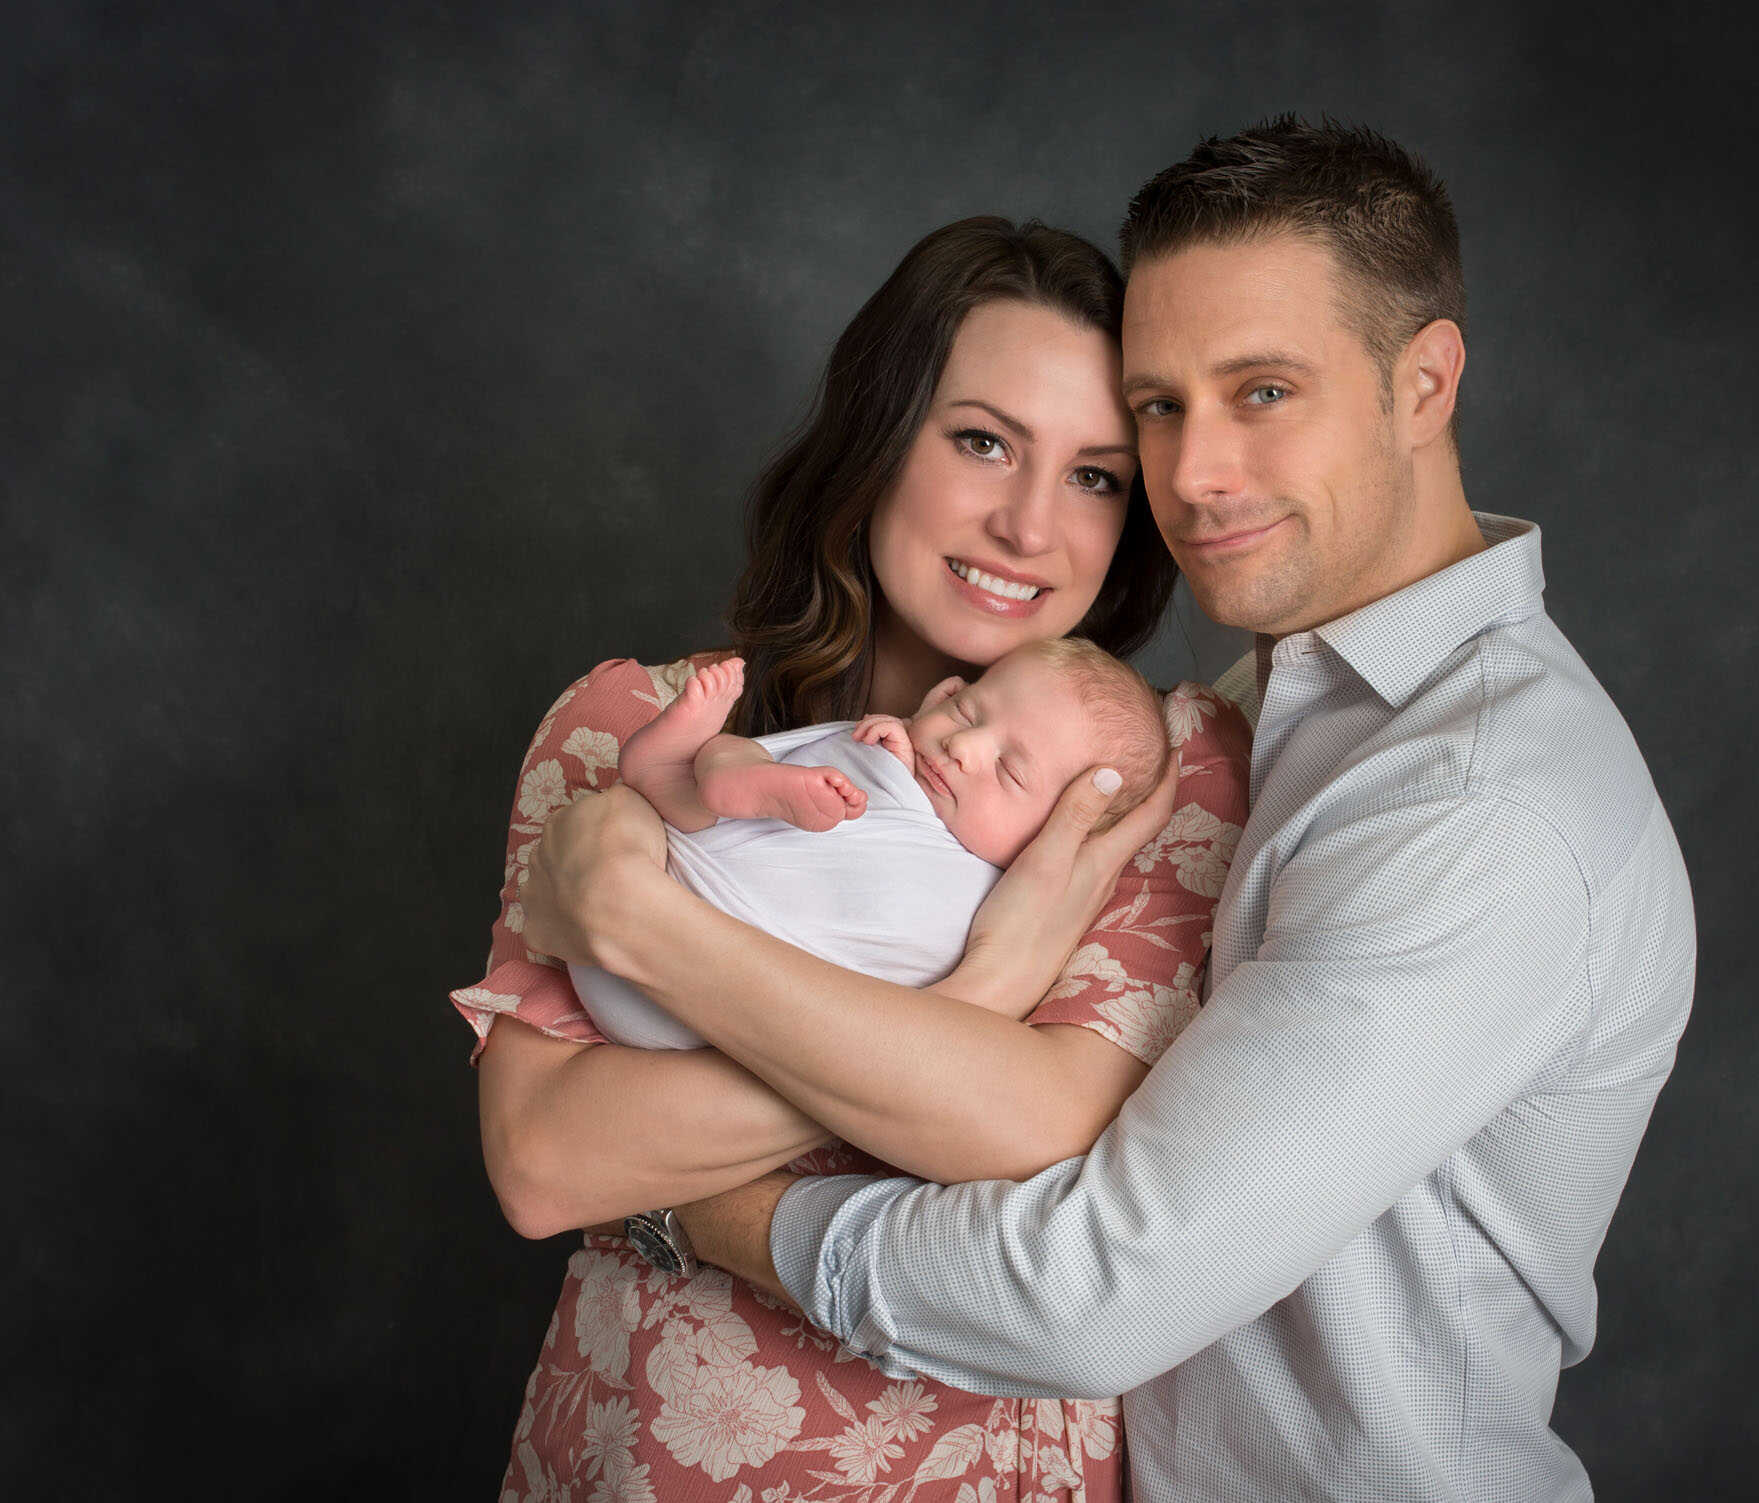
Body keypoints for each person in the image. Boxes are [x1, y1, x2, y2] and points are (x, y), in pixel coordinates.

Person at [522, 118, 1699, 1500]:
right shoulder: (1262, 717)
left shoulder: (1461, 797)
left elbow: (1085, 1286)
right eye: (1159, 407)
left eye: (1263, 391)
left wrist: (679, 1147)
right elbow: (544, 1155)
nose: (1191, 475)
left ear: (1424, 380)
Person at [453, 216, 1251, 1500]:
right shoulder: (634, 727)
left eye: (1098, 477)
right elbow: (545, 1165)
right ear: (879, 442)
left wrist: (656, 942)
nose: (1028, 526)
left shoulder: (1149, 782)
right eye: (982, 441)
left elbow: (1037, 1122)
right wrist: (978, 1000)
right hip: (648, 1448)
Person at [573, 640, 1170, 1050]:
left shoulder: (1008, 899)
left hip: (702, 998)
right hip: (645, 913)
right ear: (942, 695)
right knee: (745, 764)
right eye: (965, 714)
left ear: (1062, 829)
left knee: (758, 784)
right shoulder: (891, 751)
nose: (964, 748)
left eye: (1010, 772)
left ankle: (704, 774)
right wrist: (886, 751)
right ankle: (690, 770)